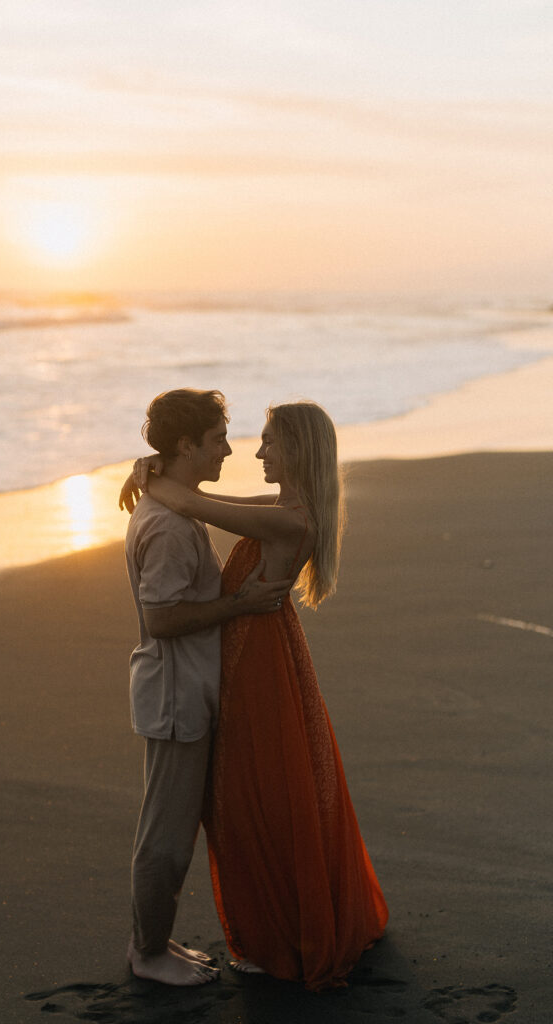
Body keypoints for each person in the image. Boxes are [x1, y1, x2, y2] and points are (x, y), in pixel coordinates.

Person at [125, 400, 389, 991]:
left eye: (268, 442)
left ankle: (274, 929)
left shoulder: (289, 519)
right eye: (228, 438)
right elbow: (198, 506)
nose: (252, 451)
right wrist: (154, 471)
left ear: (297, 450)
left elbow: (197, 504)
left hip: (254, 660)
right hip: (242, 658)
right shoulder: (282, 509)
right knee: (250, 801)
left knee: (261, 799)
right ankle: (159, 943)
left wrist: (151, 472)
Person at [121, 388, 292, 987]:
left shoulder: (179, 506)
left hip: (186, 688)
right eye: (218, 438)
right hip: (175, 694)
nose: (229, 449)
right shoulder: (169, 527)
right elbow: (163, 619)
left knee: (173, 829)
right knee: (165, 837)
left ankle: (154, 940)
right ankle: (147, 953)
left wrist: (155, 474)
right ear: (187, 445)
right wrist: (238, 604)